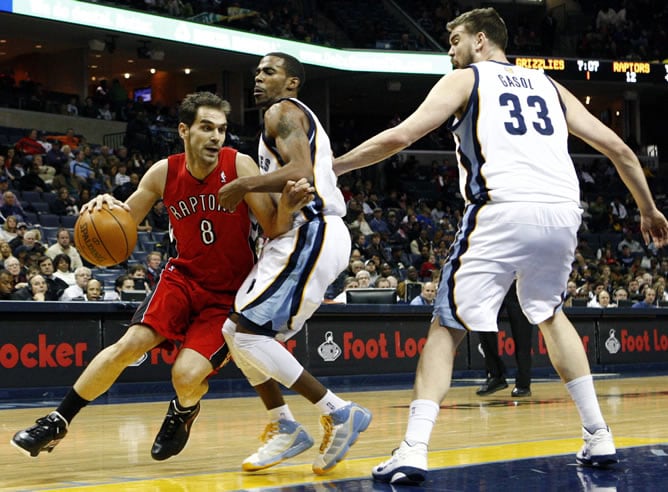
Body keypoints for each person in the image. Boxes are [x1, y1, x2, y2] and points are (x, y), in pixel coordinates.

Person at [333, 8, 668, 484]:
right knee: (549, 312)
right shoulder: (551, 86)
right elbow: (619, 149)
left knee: (446, 327)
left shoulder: (467, 79)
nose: (449, 49)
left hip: (502, 207)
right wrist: (648, 208)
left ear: (482, 40)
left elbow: (402, 136)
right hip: (561, 211)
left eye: (454, 39)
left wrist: (334, 168)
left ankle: (413, 447)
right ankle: (598, 433)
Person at [11, 92, 312, 460]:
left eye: (221, 129)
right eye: (206, 128)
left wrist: (287, 206)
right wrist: (102, 204)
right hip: (181, 278)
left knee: (185, 378)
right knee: (129, 345)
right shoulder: (164, 172)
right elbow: (125, 219)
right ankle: (57, 420)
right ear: (184, 130)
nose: (216, 137)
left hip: (227, 295)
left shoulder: (240, 165)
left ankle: (184, 410)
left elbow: (272, 227)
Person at [217, 52, 371, 475]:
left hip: (314, 232)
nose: (258, 78)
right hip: (299, 236)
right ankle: (282, 424)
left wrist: (245, 182)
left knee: (248, 335)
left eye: (269, 71)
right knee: (235, 331)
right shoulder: (278, 121)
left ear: (292, 83)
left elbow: (300, 167)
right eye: (256, 72)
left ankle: (338, 412)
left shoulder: (282, 111)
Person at [476, 282, 534, 397]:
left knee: (522, 337)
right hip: (495, 282)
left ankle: (523, 384)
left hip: (520, 283)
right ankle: (495, 375)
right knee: (482, 320)